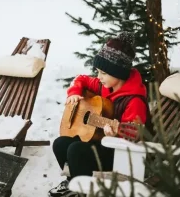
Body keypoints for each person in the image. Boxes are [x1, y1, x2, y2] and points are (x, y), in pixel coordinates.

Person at [48, 33, 152, 197]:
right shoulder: (104, 85)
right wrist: (74, 93)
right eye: (97, 71)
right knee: (60, 143)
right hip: (102, 142)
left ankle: (83, 189)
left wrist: (116, 133)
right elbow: (80, 79)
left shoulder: (134, 101)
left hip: (120, 153)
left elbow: (135, 133)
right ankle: (73, 181)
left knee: (76, 150)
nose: (98, 77)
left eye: (103, 73)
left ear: (118, 73)